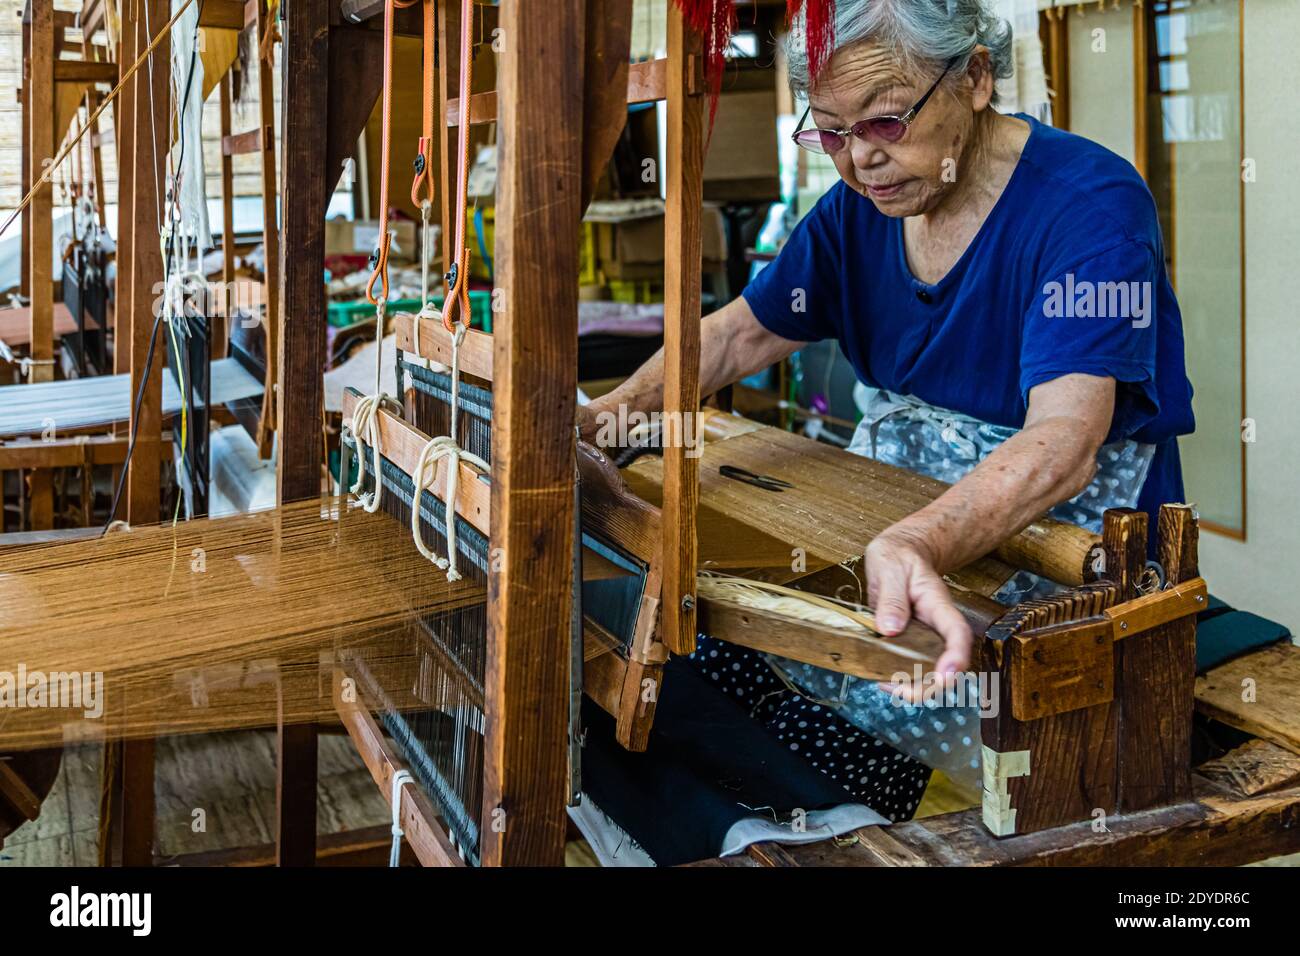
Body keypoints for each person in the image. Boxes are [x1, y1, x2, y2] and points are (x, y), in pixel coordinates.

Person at [578, 0, 1194, 819]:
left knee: (848, 766)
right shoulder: (856, 212)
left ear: (975, 77)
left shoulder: (1090, 204)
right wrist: (605, 419)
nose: (860, 159)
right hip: (900, 534)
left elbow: (1065, 439)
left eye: (886, 122)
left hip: (1061, 551)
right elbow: (739, 336)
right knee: (675, 693)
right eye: (830, 133)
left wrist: (919, 540)